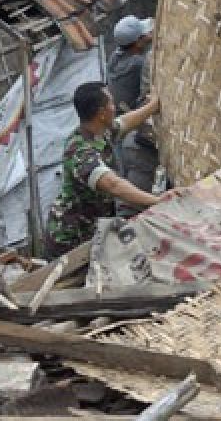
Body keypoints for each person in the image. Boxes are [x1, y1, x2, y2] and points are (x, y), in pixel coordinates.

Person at [44, 83, 173, 257]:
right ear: (101, 113)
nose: (115, 106)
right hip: (70, 238)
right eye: (111, 103)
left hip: (92, 228)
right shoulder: (79, 152)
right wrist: (156, 201)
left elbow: (125, 122)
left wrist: (153, 107)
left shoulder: (99, 131)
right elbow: (113, 185)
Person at [108, 16, 153, 114]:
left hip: (116, 106)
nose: (149, 34)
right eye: (144, 34)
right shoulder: (138, 63)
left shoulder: (115, 56)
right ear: (138, 42)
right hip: (129, 112)